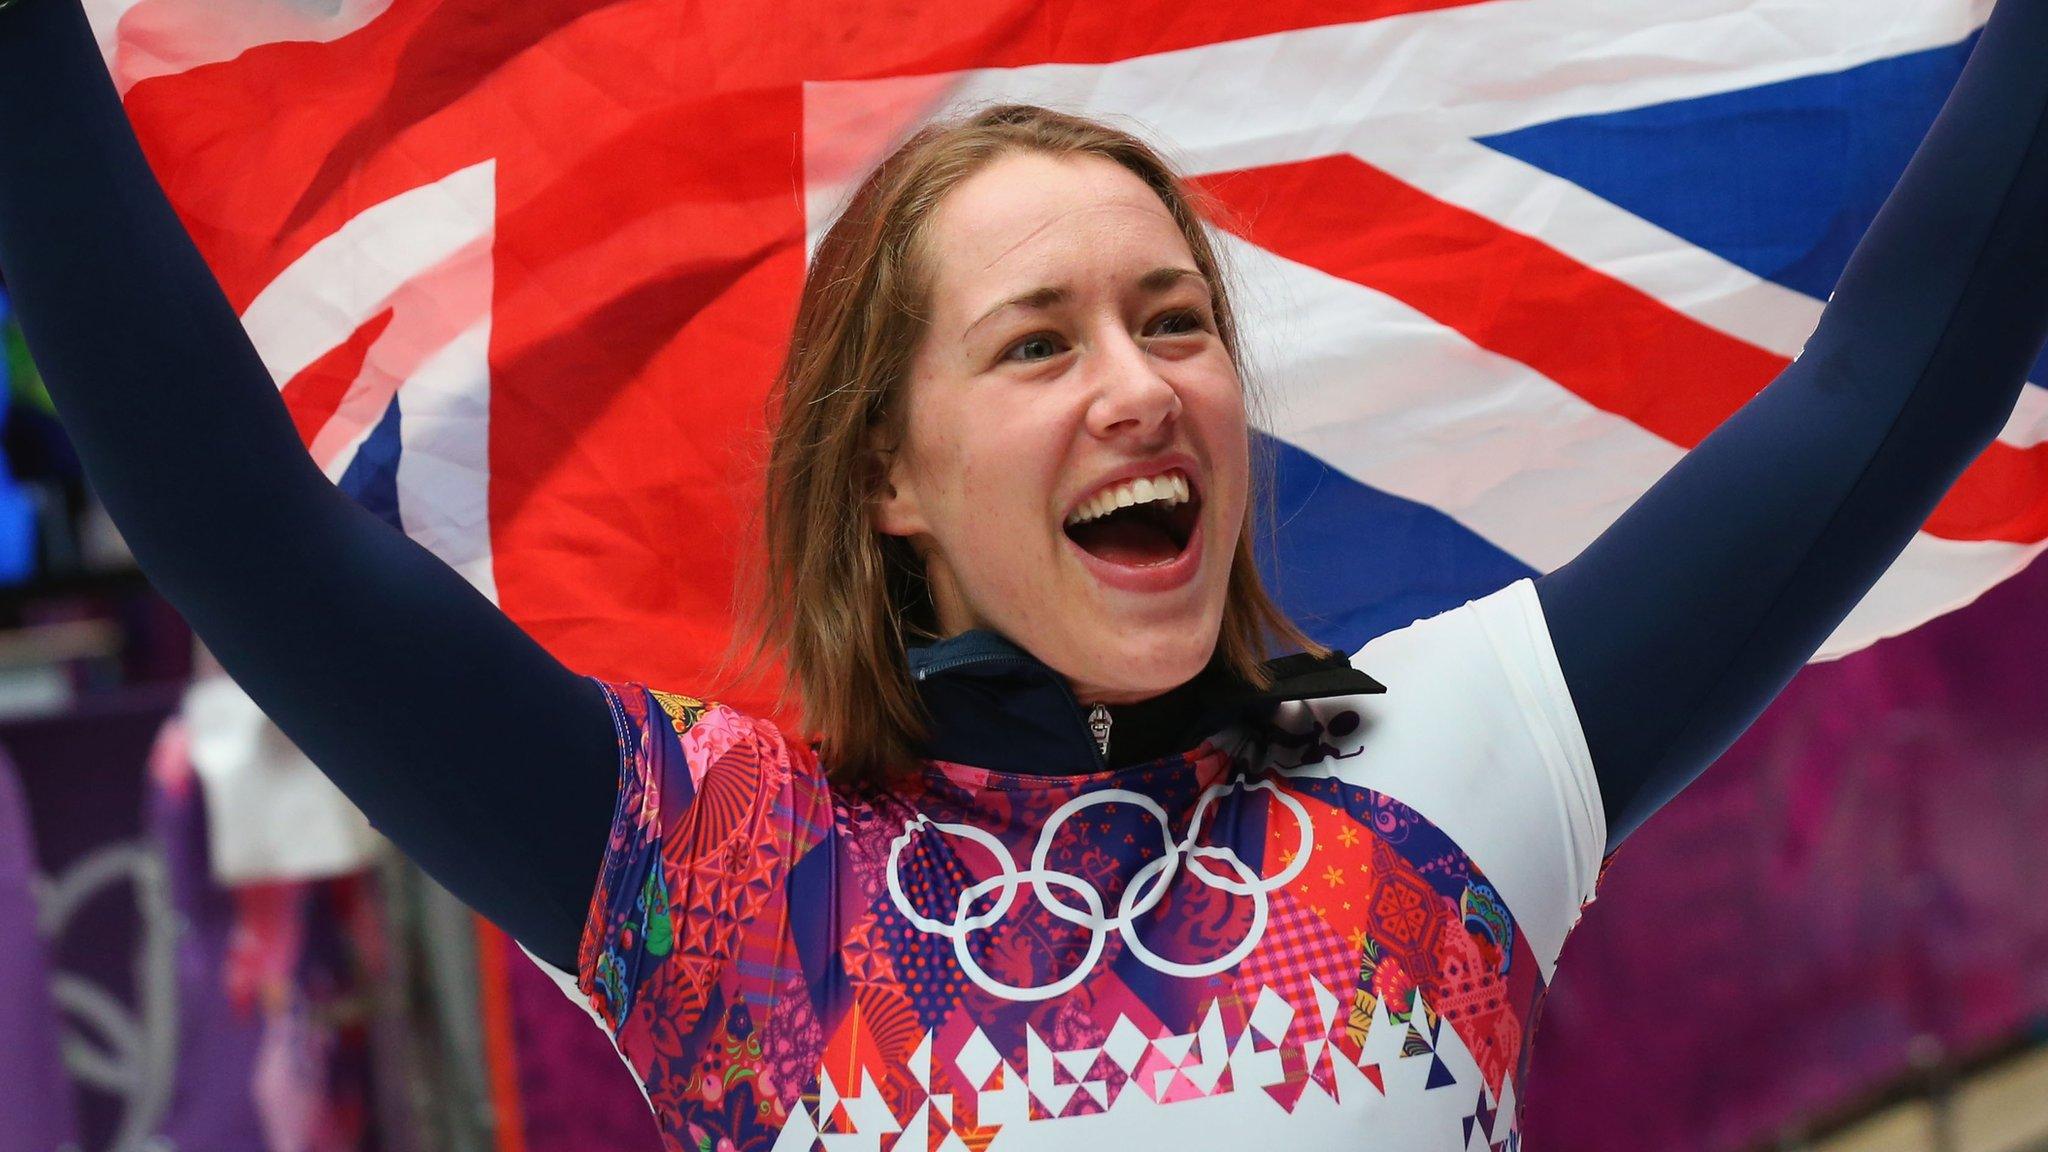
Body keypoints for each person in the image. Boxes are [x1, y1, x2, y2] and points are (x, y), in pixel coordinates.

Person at [2, 0, 2045, 1145]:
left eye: (1176, 322)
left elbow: (1892, 376)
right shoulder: (705, 873)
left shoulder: (1454, 778)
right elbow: (233, 516)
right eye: (1040, 342)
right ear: (886, 471)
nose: (1143, 386)